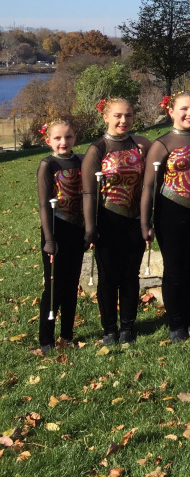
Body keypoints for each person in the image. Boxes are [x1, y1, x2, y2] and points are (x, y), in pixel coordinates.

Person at [142, 92, 190, 342]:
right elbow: (149, 186)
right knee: (175, 269)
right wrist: (145, 222)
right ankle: (176, 325)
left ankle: (189, 319)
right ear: (171, 111)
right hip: (172, 213)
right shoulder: (162, 144)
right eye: (184, 109)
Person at [82, 98, 150, 345]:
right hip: (107, 221)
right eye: (118, 116)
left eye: (129, 115)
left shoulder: (140, 144)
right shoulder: (97, 149)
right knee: (108, 277)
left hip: (134, 219)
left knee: (131, 276)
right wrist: (90, 229)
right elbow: (88, 192)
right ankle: (109, 328)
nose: (124, 121)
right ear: (106, 117)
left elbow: (156, 171)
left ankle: (128, 327)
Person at [36, 119, 85, 353]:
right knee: (54, 286)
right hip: (56, 229)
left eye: (68, 137)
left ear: (75, 138)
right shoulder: (48, 165)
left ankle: (67, 335)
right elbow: (44, 205)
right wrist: (48, 239)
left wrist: (87, 228)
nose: (63, 142)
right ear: (49, 141)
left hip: (76, 229)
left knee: (72, 284)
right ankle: (46, 338)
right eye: (57, 138)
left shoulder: (81, 160)